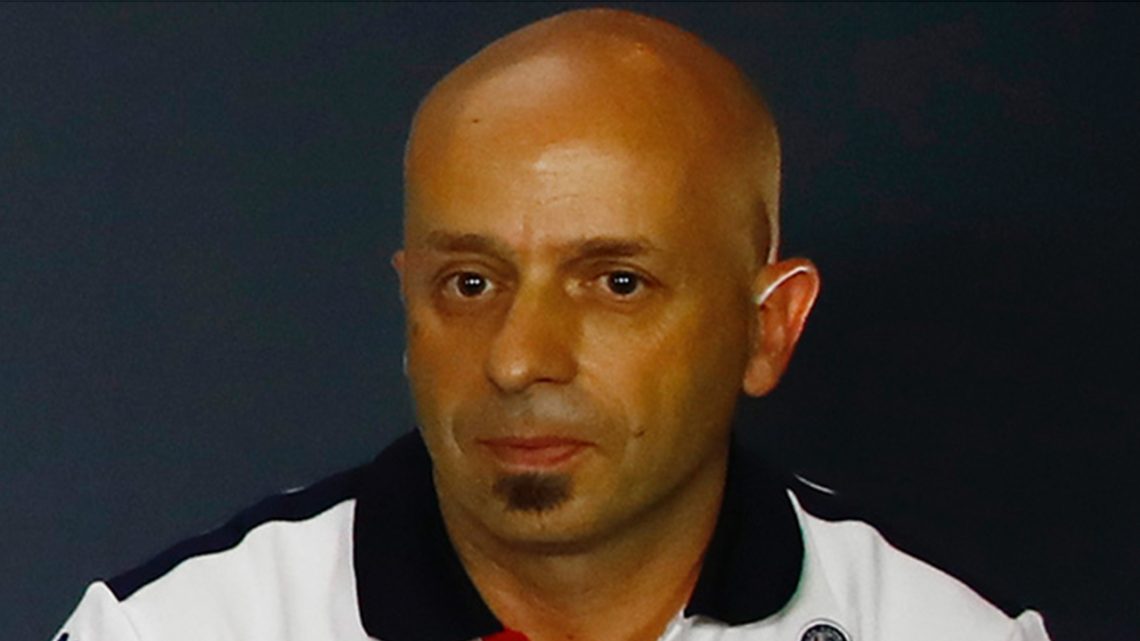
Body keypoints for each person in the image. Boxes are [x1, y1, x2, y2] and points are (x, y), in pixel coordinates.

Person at [56, 9, 1050, 641]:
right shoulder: (177, 629)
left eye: (616, 281)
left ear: (769, 328)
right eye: (470, 282)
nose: (518, 357)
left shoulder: (941, 629)